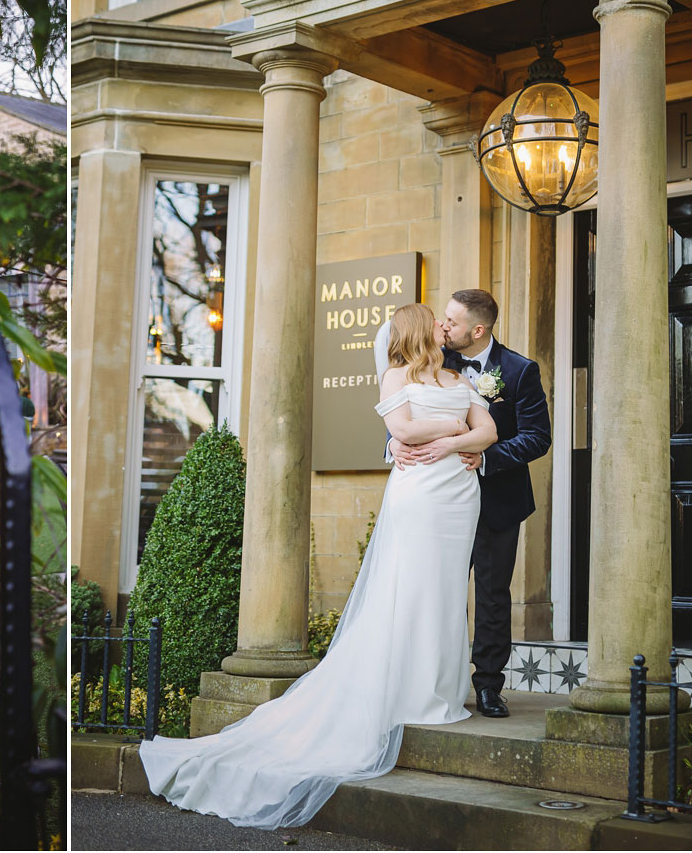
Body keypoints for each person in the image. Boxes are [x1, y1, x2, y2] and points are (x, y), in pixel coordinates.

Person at [138, 304, 497, 829]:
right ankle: (407, 690)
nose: (445, 331)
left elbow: (485, 432)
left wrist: (449, 439)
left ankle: (440, 692)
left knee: (445, 591)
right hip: (420, 495)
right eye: (437, 324)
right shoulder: (397, 375)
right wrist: (449, 426)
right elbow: (402, 428)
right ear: (419, 332)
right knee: (412, 588)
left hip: (459, 496)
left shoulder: (459, 376)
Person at [387, 289, 551, 718]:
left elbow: (537, 437)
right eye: (442, 318)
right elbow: (404, 410)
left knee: (493, 595)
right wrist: (392, 442)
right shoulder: (437, 360)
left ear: (477, 330)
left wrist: (484, 457)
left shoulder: (519, 371)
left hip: (497, 497)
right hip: (437, 500)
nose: (443, 326)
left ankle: (488, 686)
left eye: (452, 322)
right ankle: (439, 680)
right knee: (437, 589)